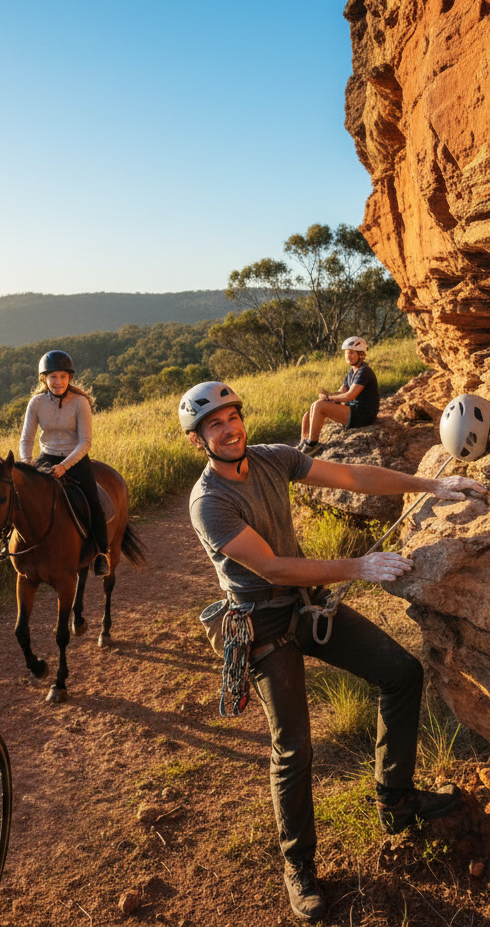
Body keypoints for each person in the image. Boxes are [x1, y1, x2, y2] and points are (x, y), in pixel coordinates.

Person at [178, 381, 485, 922]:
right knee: (294, 746)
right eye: (214, 425)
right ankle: (299, 867)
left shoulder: (272, 458)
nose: (228, 430)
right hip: (263, 622)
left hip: (306, 605)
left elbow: (353, 476)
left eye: (232, 418)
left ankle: (396, 800)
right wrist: (359, 567)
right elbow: (271, 566)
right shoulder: (209, 502)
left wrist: (430, 484)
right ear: (199, 439)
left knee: (401, 673)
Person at [19, 350, 110, 575]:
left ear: (69, 378)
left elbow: (85, 442)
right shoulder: (36, 403)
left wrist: (64, 466)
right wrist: (26, 465)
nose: (57, 382)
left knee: (93, 502)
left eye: (62, 376)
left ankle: (101, 553)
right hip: (46, 457)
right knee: (21, 497)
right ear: (44, 379)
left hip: (75, 458)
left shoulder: (80, 402)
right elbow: (26, 438)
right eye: (52, 377)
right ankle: (16, 548)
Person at [299, 336, 379, 456]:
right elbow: (341, 392)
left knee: (320, 406)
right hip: (353, 410)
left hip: (363, 415)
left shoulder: (364, 371)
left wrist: (328, 399)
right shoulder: (352, 371)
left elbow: (349, 396)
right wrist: (327, 396)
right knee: (312, 408)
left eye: (352, 353)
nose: (348, 356)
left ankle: (313, 445)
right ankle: (304, 442)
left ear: (361, 354)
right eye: (347, 353)